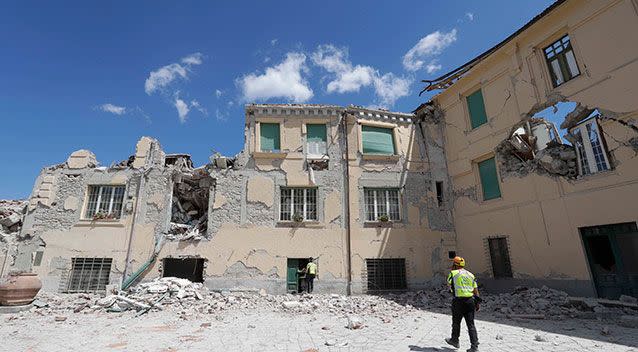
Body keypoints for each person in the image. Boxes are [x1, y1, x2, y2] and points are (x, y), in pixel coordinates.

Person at [445, 256, 481, 352]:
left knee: (456, 322)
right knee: (471, 324)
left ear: (455, 265)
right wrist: (477, 303)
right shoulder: (471, 275)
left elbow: (449, 286)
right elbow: (475, 290)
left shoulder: (453, 273)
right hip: (470, 301)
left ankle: (455, 340)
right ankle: (474, 346)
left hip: (458, 301)